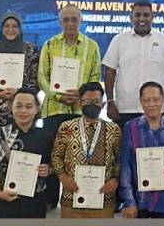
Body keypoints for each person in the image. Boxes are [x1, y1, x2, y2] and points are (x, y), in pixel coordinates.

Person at [38, 4, 101, 209]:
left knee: (79, 154)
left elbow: (94, 78)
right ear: (60, 22)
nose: (70, 24)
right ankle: (49, 199)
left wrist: (81, 95)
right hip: (53, 109)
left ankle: (79, 198)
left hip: (79, 110)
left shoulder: (92, 46)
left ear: (81, 21)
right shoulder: (49, 45)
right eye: (66, 20)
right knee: (51, 154)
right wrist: (57, 95)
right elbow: (42, 77)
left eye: (74, 19)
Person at [103, 0, 164, 130]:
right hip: (125, 108)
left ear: (152, 17)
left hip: (156, 108)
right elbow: (109, 72)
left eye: (146, 15)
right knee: (126, 149)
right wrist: (110, 102)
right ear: (131, 17)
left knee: (154, 149)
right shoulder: (119, 40)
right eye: (137, 15)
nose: (141, 18)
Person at [51, 82, 121, 218]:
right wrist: (62, 176)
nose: (92, 104)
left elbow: (120, 159)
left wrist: (116, 180)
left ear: (103, 104)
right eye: (88, 101)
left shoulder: (114, 129)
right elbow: (56, 155)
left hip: (104, 199)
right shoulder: (66, 127)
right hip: (71, 198)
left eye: (96, 101)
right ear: (79, 103)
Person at [0, 88, 53, 218]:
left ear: (37, 108)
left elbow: (52, 165)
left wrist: (48, 169)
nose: (23, 111)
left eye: (28, 106)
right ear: (11, 107)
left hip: (36, 201)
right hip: (5, 200)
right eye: (18, 106)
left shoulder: (45, 136)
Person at [120, 81, 164, 219]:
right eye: (146, 100)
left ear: (163, 100)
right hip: (138, 201)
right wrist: (128, 200)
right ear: (140, 101)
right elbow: (125, 166)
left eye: (156, 99)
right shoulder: (131, 127)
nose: (151, 104)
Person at [0, 12, 40, 127]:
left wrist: (18, 91)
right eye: (7, 26)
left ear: (20, 29)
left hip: (23, 108)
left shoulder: (31, 50)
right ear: (1, 28)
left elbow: (36, 80)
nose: (11, 29)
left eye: (15, 26)